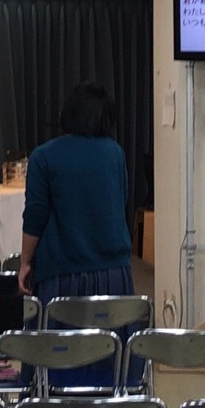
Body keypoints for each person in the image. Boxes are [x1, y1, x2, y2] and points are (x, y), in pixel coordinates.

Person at [19, 82, 135, 300]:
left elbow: (35, 216)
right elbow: (122, 201)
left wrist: (25, 262)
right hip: (114, 272)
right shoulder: (116, 153)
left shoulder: (43, 156)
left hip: (62, 274)